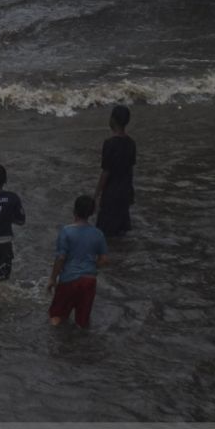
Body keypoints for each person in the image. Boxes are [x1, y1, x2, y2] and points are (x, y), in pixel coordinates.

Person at [47, 196, 108, 329]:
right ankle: (82, 347)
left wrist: (52, 279)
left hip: (69, 280)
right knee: (82, 321)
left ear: (74, 210)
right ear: (92, 212)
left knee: (56, 316)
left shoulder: (66, 231)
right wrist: (92, 267)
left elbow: (61, 258)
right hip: (89, 281)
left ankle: (52, 344)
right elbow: (104, 259)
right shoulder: (98, 234)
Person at [95, 105, 136, 237]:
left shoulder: (109, 144)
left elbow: (106, 172)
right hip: (125, 192)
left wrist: (96, 195)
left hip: (111, 193)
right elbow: (130, 170)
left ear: (113, 120)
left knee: (104, 232)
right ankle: (120, 256)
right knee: (121, 231)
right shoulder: (131, 143)